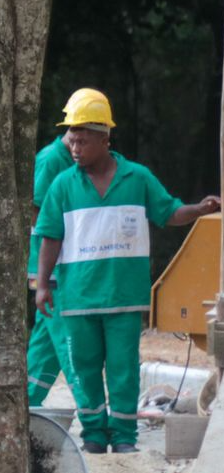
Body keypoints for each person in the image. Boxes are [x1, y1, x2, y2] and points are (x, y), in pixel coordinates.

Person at [35, 92, 218, 454]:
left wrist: (199, 209)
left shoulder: (137, 178)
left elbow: (168, 212)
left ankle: (123, 437)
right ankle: (93, 435)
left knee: (124, 370)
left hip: (124, 296)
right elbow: (49, 237)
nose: (75, 148)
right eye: (72, 140)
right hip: (78, 299)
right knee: (85, 370)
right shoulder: (63, 185)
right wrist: (42, 285)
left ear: (105, 138)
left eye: (83, 140)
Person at [25, 94, 79, 406]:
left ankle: (28, 402)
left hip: (56, 266)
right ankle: (91, 414)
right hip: (46, 267)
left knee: (46, 342)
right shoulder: (50, 160)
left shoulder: (70, 160)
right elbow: (36, 210)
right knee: (69, 338)